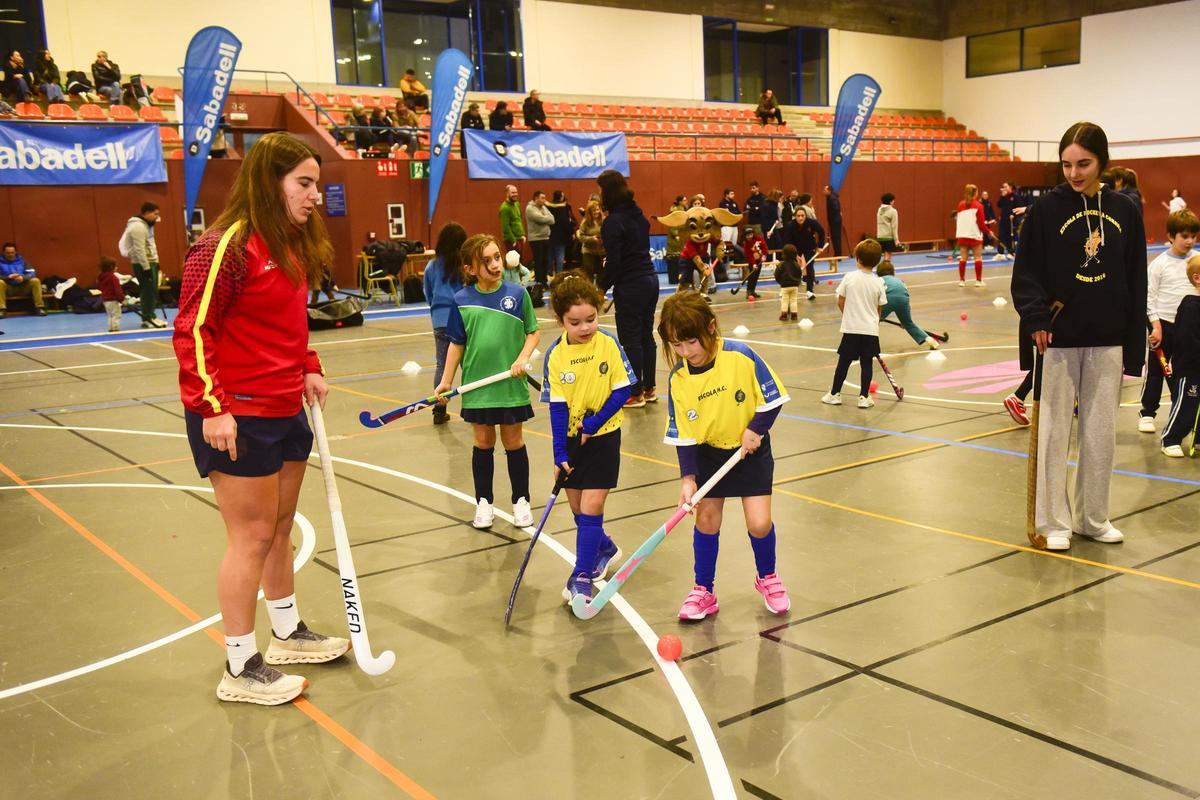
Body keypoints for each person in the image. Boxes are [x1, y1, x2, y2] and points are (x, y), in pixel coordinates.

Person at [173, 132, 350, 705]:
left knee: (279, 526)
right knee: (249, 536)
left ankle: (286, 633)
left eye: (316, 184)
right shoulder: (226, 246)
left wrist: (309, 364)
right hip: (238, 413)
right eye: (303, 183)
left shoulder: (290, 244)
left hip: (283, 406)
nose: (314, 196)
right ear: (269, 183)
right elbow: (193, 330)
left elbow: (288, 323)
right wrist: (211, 406)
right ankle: (239, 665)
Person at [1011, 121, 1147, 551]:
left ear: (1102, 161)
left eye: (1084, 163)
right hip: (1058, 338)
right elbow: (1026, 273)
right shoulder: (1046, 210)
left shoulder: (1125, 209)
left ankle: (1092, 517)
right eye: (1067, 164)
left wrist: (1133, 345)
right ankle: (1053, 522)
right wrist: (1036, 319)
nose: (1074, 172)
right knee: (1053, 433)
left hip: (1107, 337)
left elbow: (1135, 276)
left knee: (1101, 432)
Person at [658, 291, 791, 619]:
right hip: (708, 455)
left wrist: (756, 429)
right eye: (677, 345)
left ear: (711, 328)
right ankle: (704, 590)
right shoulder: (679, 379)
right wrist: (687, 479)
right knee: (706, 520)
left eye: (691, 342)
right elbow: (684, 435)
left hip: (750, 452)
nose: (687, 352)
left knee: (759, 523)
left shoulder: (741, 355)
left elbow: (773, 398)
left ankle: (768, 577)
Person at [435, 234, 541, 529]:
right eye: (487, 261)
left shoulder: (518, 294)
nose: (496, 264)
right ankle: (484, 502)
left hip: (510, 385)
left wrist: (523, 358)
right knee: (483, 443)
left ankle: (521, 501)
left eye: (497, 257)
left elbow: (533, 332)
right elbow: (457, 343)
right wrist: (446, 381)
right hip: (478, 387)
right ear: (470, 269)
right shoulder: (462, 300)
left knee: (513, 442)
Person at [541, 271, 633, 601]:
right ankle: (604, 548)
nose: (584, 328)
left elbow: (623, 390)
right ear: (560, 320)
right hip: (571, 438)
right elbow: (556, 407)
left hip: (604, 436)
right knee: (580, 510)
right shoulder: (555, 355)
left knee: (592, 508)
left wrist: (594, 425)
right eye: (575, 322)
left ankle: (581, 577)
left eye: (591, 319)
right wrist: (558, 453)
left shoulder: (607, 344)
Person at [598, 170, 659, 407]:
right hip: (650, 280)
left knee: (631, 339)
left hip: (632, 285)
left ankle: (635, 393)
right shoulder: (638, 215)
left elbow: (615, 261)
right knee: (645, 336)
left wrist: (601, 288)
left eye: (601, 190)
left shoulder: (613, 222)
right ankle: (649, 387)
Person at [1138, 209, 1199, 433]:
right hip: (1163, 325)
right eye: (1184, 236)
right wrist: (1155, 325)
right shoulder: (1159, 264)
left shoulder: (1197, 262)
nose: (1190, 241)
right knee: (1155, 371)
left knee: (1185, 374)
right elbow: (1149, 297)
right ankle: (1147, 412)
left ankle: (1184, 414)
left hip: (1189, 329)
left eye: (1193, 236)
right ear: (1171, 236)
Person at [822, 240, 887, 408]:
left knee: (843, 362)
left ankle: (834, 394)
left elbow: (840, 300)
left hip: (851, 329)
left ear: (858, 259)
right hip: (870, 330)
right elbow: (879, 307)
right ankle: (864, 397)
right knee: (867, 363)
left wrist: (849, 315)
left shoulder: (849, 277)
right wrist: (873, 321)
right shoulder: (879, 282)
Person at [423, 222, 468, 426]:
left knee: (442, 363)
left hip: (440, 320)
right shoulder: (463, 267)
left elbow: (428, 293)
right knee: (469, 363)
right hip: (462, 318)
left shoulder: (432, 266)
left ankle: (439, 409)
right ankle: (473, 405)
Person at [1160, 256, 1200, 457]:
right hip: (1191, 368)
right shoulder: (1191, 305)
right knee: (1187, 404)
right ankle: (1171, 438)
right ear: (1197, 278)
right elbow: (1186, 339)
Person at [121, 201, 166, 328]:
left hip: (150, 262)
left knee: (152, 290)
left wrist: (156, 262)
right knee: (148, 291)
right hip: (143, 264)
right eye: (155, 214)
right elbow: (139, 249)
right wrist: (146, 267)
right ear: (146, 213)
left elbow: (150, 246)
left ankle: (151, 315)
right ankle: (148, 317)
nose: (157, 217)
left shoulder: (146, 226)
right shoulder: (138, 227)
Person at [877, 261, 939, 350]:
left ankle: (867, 345)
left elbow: (876, 297)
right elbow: (906, 296)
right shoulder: (900, 281)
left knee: (873, 321)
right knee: (909, 324)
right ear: (892, 272)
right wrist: (904, 320)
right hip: (904, 300)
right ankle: (930, 340)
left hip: (888, 299)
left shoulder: (879, 280)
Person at [781, 206, 826, 300]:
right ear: (795, 217)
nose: (800, 218)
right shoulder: (790, 225)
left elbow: (821, 232)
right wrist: (795, 255)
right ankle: (785, 290)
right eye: (798, 216)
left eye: (802, 215)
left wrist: (820, 246)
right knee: (791, 268)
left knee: (809, 268)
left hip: (809, 248)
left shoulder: (812, 223)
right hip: (794, 248)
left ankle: (810, 291)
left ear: (805, 216)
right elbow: (787, 241)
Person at [0, 242, 46, 318]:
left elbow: (31, 272)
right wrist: (8, 277)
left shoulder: (22, 260)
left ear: (16, 252)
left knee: (35, 281)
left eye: (12, 252)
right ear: (3, 253)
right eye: (8, 253)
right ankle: (2, 310)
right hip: (8, 288)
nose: (10, 254)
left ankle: (40, 308)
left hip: (23, 287)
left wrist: (23, 278)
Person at [955, 184, 988, 287]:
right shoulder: (979, 205)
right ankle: (978, 281)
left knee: (963, 258)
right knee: (977, 258)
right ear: (975, 193)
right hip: (974, 235)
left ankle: (962, 281)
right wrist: (988, 232)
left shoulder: (960, 205)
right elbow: (981, 224)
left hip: (962, 235)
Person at [525, 191, 554, 283]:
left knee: (545, 261)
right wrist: (546, 218)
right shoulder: (530, 208)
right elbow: (541, 219)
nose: (544, 200)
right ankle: (539, 282)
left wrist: (546, 218)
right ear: (536, 198)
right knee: (539, 261)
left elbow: (552, 219)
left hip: (545, 238)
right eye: (542, 198)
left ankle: (544, 281)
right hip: (536, 239)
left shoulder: (544, 207)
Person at [576, 200, 604, 284]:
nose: (597, 212)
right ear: (589, 212)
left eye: (598, 209)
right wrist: (592, 239)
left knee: (601, 273)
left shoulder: (604, 220)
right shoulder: (585, 223)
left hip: (601, 251)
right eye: (594, 210)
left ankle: (600, 292)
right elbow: (581, 236)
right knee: (588, 274)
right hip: (588, 252)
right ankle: (589, 292)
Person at [547, 190, 574, 274]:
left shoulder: (548, 206)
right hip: (561, 235)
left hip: (549, 234)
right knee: (560, 255)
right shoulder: (563, 207)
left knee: (550, 255)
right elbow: (565, 222)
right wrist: (570, 232)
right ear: (561, 197)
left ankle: (549, 272)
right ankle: (559, 273)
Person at [774, 244, 803, 321]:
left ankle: (784, 315)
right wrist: (797, 282)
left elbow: (777, 274)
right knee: (793, 300)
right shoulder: (796, 264)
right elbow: (800, 274)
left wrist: (780, 282)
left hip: (785, 286)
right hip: (794, 286)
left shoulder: (782, 264)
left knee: (785, 300)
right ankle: (794, 315)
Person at [664, 195, 687, 284]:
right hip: (675, 238)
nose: (686, 201)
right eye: (684, 200)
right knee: (674, 258)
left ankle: (681, 277)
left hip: (683, 236)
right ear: (680, 201)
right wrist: (676, 234)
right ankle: (674, 279)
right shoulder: (674, 211)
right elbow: (671, 224)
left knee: (682, 258)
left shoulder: (685, 210)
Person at [742, 225, 768, 302]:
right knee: (752, 276)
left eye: (750, 234)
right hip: (752, 262)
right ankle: (749, 291)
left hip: (759, 260)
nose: (749, 237)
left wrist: (764, 255)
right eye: (747, 235)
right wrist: (753, 264)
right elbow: (749, 255)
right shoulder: (746, 244)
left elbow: (764, 247)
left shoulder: (758, 239)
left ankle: (753, 291)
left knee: (756, 276)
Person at [98, 256, 124, 332]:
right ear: (111, 267)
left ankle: (111, 328)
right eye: (115, 266)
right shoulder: (113, 278)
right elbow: (117, 290)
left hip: (105, 299)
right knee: (116, 314)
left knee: (110, 315)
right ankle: (115, 328)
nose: (117, 267)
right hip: (113, 299)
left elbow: (99, 287)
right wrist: (121, 299)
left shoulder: (101, 277)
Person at [499, 184, 525, 259]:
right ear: (507, 193)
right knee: (514, 264)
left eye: (516, 192)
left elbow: (519, 219)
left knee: (520, 263)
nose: (515, 194)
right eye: (513, 193)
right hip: (511, 241)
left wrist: (523, 235)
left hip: (520, 238)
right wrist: (513, 241)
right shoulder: (504, 208)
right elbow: (505, 227)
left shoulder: (517, 204)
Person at [876, 193, 900, 263]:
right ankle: (885, 270)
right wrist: (896, 240)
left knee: (883, 255)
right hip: (888, 237)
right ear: (890, 201)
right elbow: (894, 226)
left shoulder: (879, 210)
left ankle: (883, 269)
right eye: (893, 200)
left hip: (880, 236)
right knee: (888, 257)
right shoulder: (893, 211)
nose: (894, 202)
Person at [718, 189, 742, 254]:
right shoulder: (722, 203)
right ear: (726, 195)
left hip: (734, 225)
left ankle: (731, 261)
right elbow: (727, 214)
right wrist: (733, 213)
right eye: (731, 194)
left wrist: (733, 213)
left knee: (733, 243)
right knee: (726, 243)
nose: (733, 195)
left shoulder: (734, 203)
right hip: (726, 226)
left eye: (733, 194)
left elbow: (738, 212)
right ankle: (725, 262)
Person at [824, 185, 844, 257]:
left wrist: (832, 219)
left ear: (829, 190)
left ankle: (838, 255)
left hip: (835, 222)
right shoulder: (831, 198)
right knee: (836, 238)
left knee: (836, 238)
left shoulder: (832, 199)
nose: (824, 191)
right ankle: (837, 254)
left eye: (825, 190)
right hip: (835, 221)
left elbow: (836, 209)